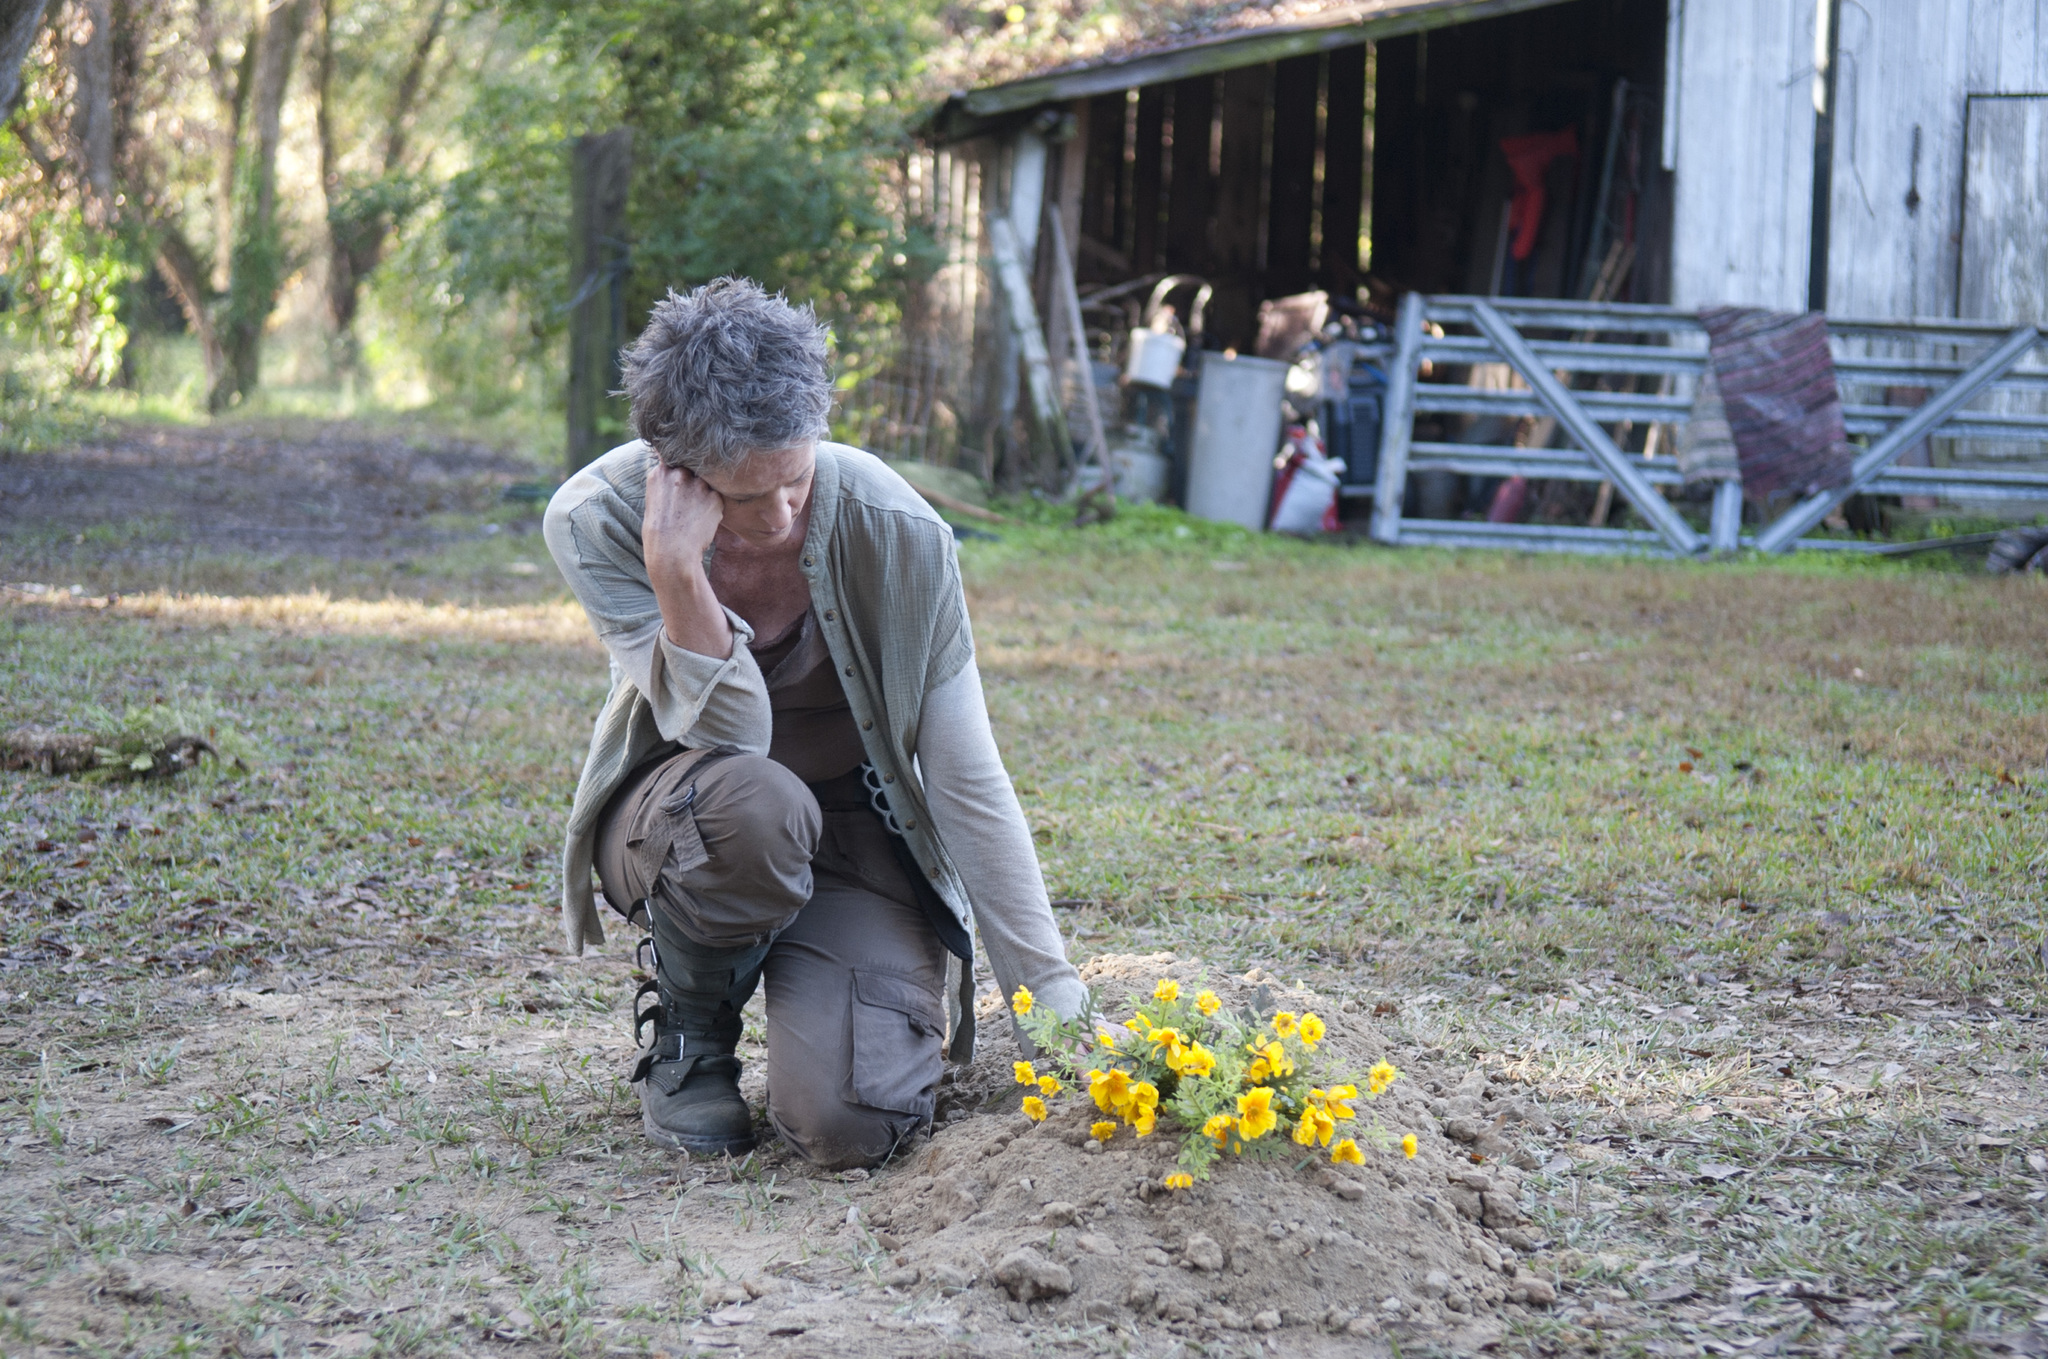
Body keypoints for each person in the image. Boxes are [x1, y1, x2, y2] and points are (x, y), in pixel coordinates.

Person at [543, 279, 1088, 1169]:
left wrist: (1053, 1009)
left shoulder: (899, 529)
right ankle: (691, 1032)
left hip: (852, 834)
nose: (781, 517)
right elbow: (727, 735)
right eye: (742, 497)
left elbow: (965, 778)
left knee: (849, 1123)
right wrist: (680, 576)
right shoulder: (596, 519)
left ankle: (821, 988)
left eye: (796, 479)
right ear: (673, 469)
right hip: (692, 818)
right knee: (757, 806)